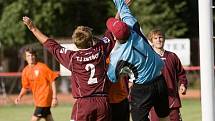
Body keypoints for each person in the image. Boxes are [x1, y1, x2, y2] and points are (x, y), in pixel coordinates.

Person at [22, 16, 116, 121]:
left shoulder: (72, 58)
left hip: (83, 104)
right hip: (102, 102)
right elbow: (112, 31)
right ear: (90, 41)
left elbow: (51, 44)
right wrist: (121, 9)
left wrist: (33, 28)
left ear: (76, 44)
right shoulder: (100, 50)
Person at [105, 0, 170, 121]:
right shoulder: (132, 25)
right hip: (160, 79)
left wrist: (124, 71)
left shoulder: (117, 57)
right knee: (164, 116)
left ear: (114, 37)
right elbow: (122, 6)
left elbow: (112, 77)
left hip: (142, 88)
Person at [148, 28, 188, 121]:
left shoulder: (172, 56)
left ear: (164, 39)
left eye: (160, 37)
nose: (158, 40)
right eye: (155, 38)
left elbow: (181, 74)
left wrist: (183, 84)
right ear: (152, 41)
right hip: (154, 101)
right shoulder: (148, 58)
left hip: (172, 100)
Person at [15, 47, 59, 121]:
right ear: (25, 58)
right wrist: (19, 96)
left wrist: (54, 98)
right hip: (38, 100)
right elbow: (25, 87)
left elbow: (53, 80)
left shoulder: (42, 67)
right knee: (48, 118)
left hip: (44, 99)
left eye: (32, 55)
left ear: (35, 56)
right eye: (28, 56)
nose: (31, 57)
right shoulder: (25, 71)